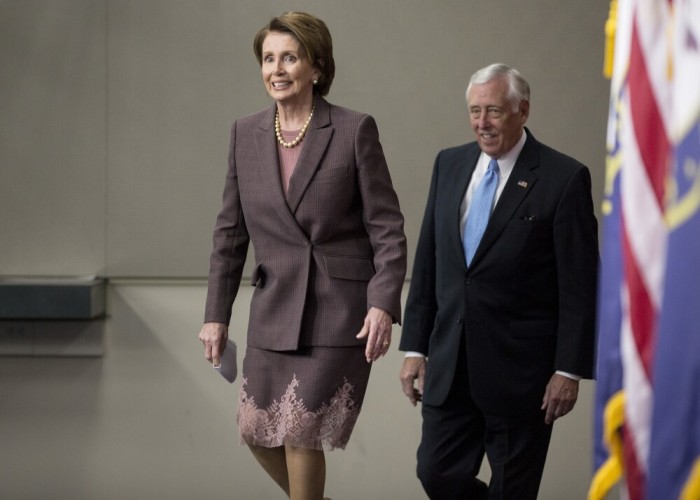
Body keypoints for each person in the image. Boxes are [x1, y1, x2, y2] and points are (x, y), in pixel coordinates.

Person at [197, 11, 406, 500]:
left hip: (337, 310)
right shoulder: (244, 134)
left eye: (289, 57)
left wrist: (383, 303)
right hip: (274, 308)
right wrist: (215, 316)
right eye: (268, 58)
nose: (277, 68)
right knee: (255, 430)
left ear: (316, 66)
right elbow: (230, 233)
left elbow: (388, 228)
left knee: (300, 431)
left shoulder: (354, 130)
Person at [398, 63, 598, 499]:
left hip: (522, 374)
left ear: (522, 111)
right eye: (474, 111)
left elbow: (579, 285)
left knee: (513, 491)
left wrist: (569, 369)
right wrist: (415, 347)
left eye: (493, 111)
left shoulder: (564, 179)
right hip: (450, 365)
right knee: (436, 473)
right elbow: (430, 261)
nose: (481, 124)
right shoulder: (449, 164)